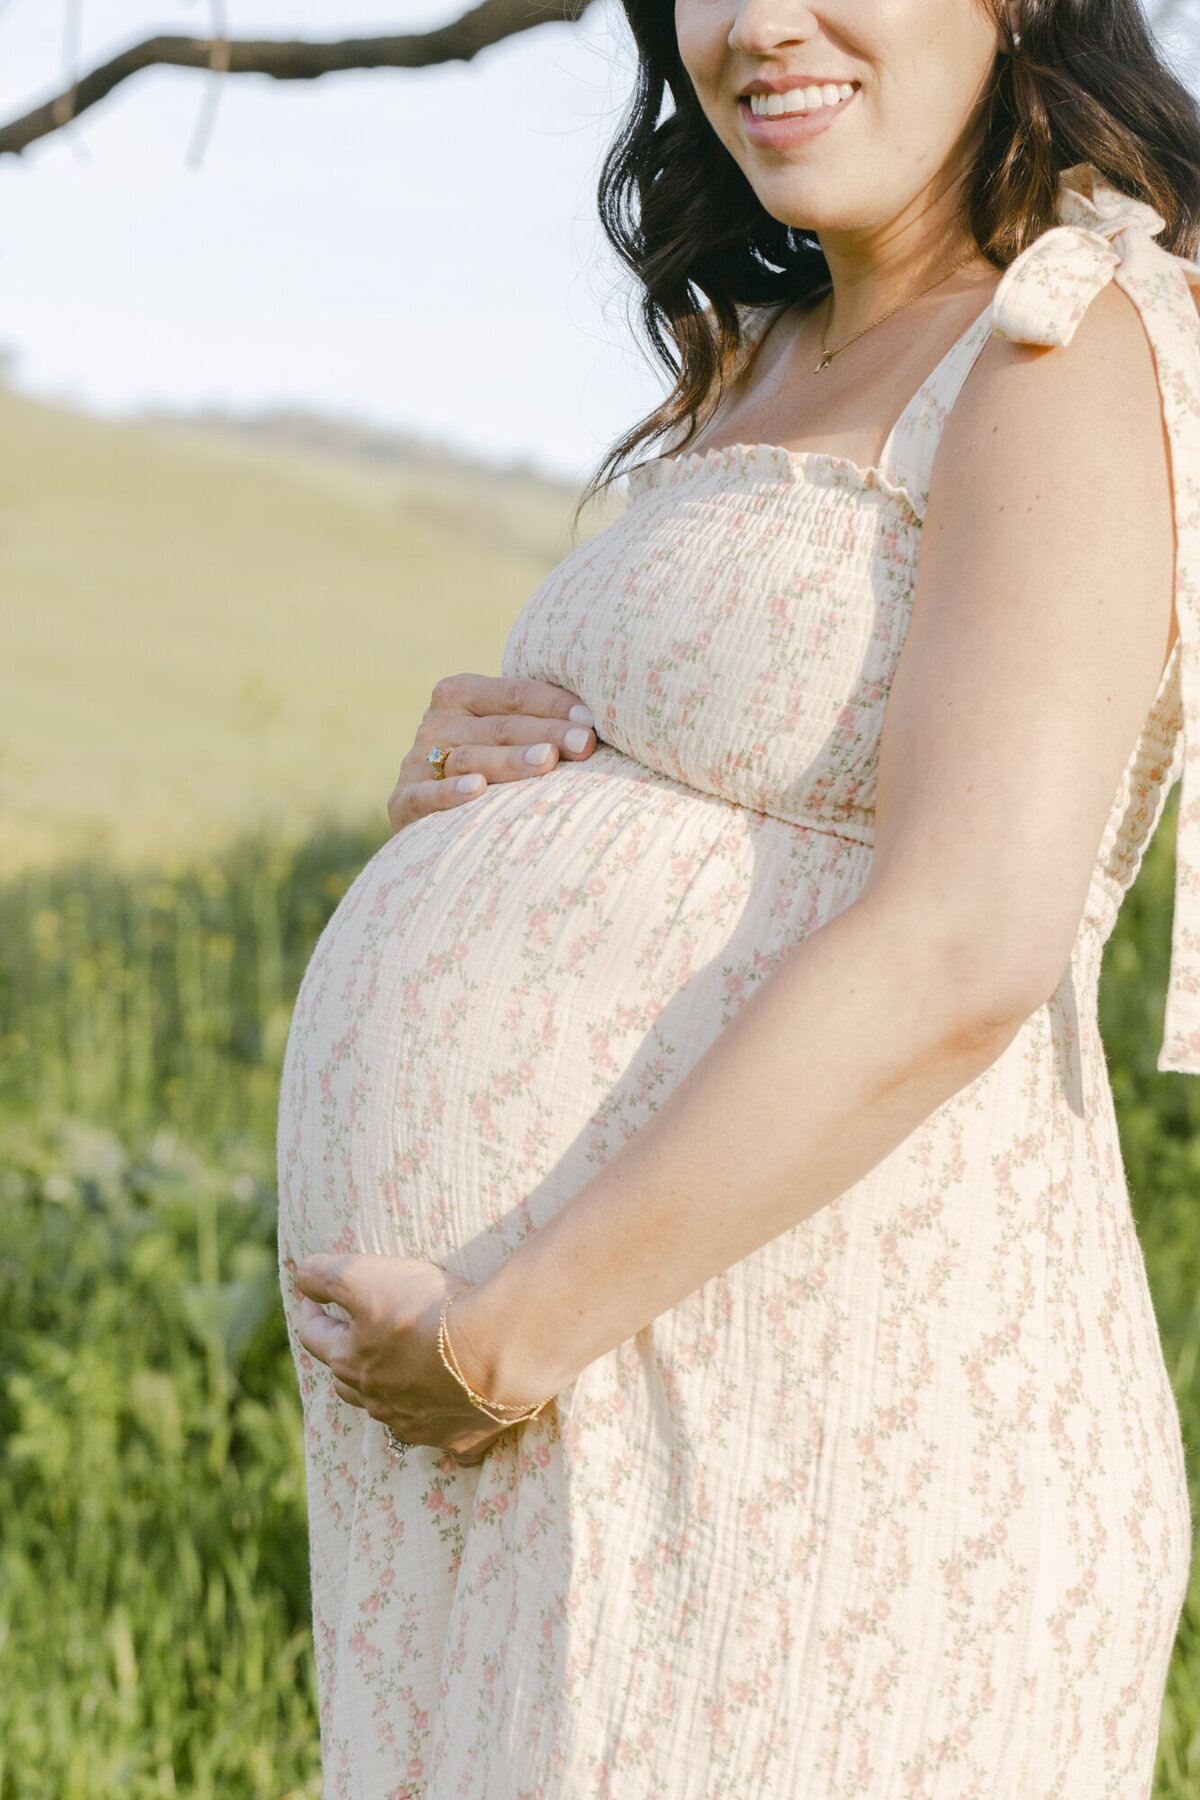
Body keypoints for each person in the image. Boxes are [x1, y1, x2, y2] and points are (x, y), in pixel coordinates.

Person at [277, 0, 1200, 1793]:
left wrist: (503, 1337)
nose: (758, 23)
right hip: (573, 1419)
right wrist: (474, 795)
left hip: (819, 1430)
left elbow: (969, 938)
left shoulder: (1060, 336)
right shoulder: (761, 350)